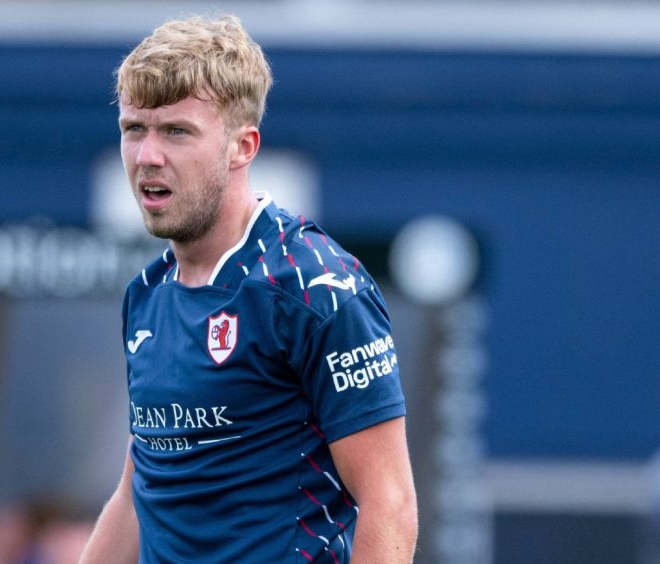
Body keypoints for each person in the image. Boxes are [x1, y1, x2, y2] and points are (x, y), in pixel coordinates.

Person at [79, 14, 417, 563]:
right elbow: (137, 496)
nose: (147, 156)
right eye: (133, 128)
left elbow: (390, 501)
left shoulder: (315, 287)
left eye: (177, 131)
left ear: (243, 146)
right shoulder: (147, 294)